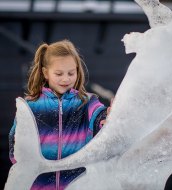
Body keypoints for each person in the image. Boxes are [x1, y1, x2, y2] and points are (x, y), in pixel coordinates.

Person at [9, 39, 109, 190]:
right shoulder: (30, 106)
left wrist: (109, 118)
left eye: (71, 73)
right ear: (45, 73)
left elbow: (100, 120)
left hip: (77, 185)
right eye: (59, 73)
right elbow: (16, 144)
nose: (66, 79)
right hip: (39, 185)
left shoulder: (87, 103)